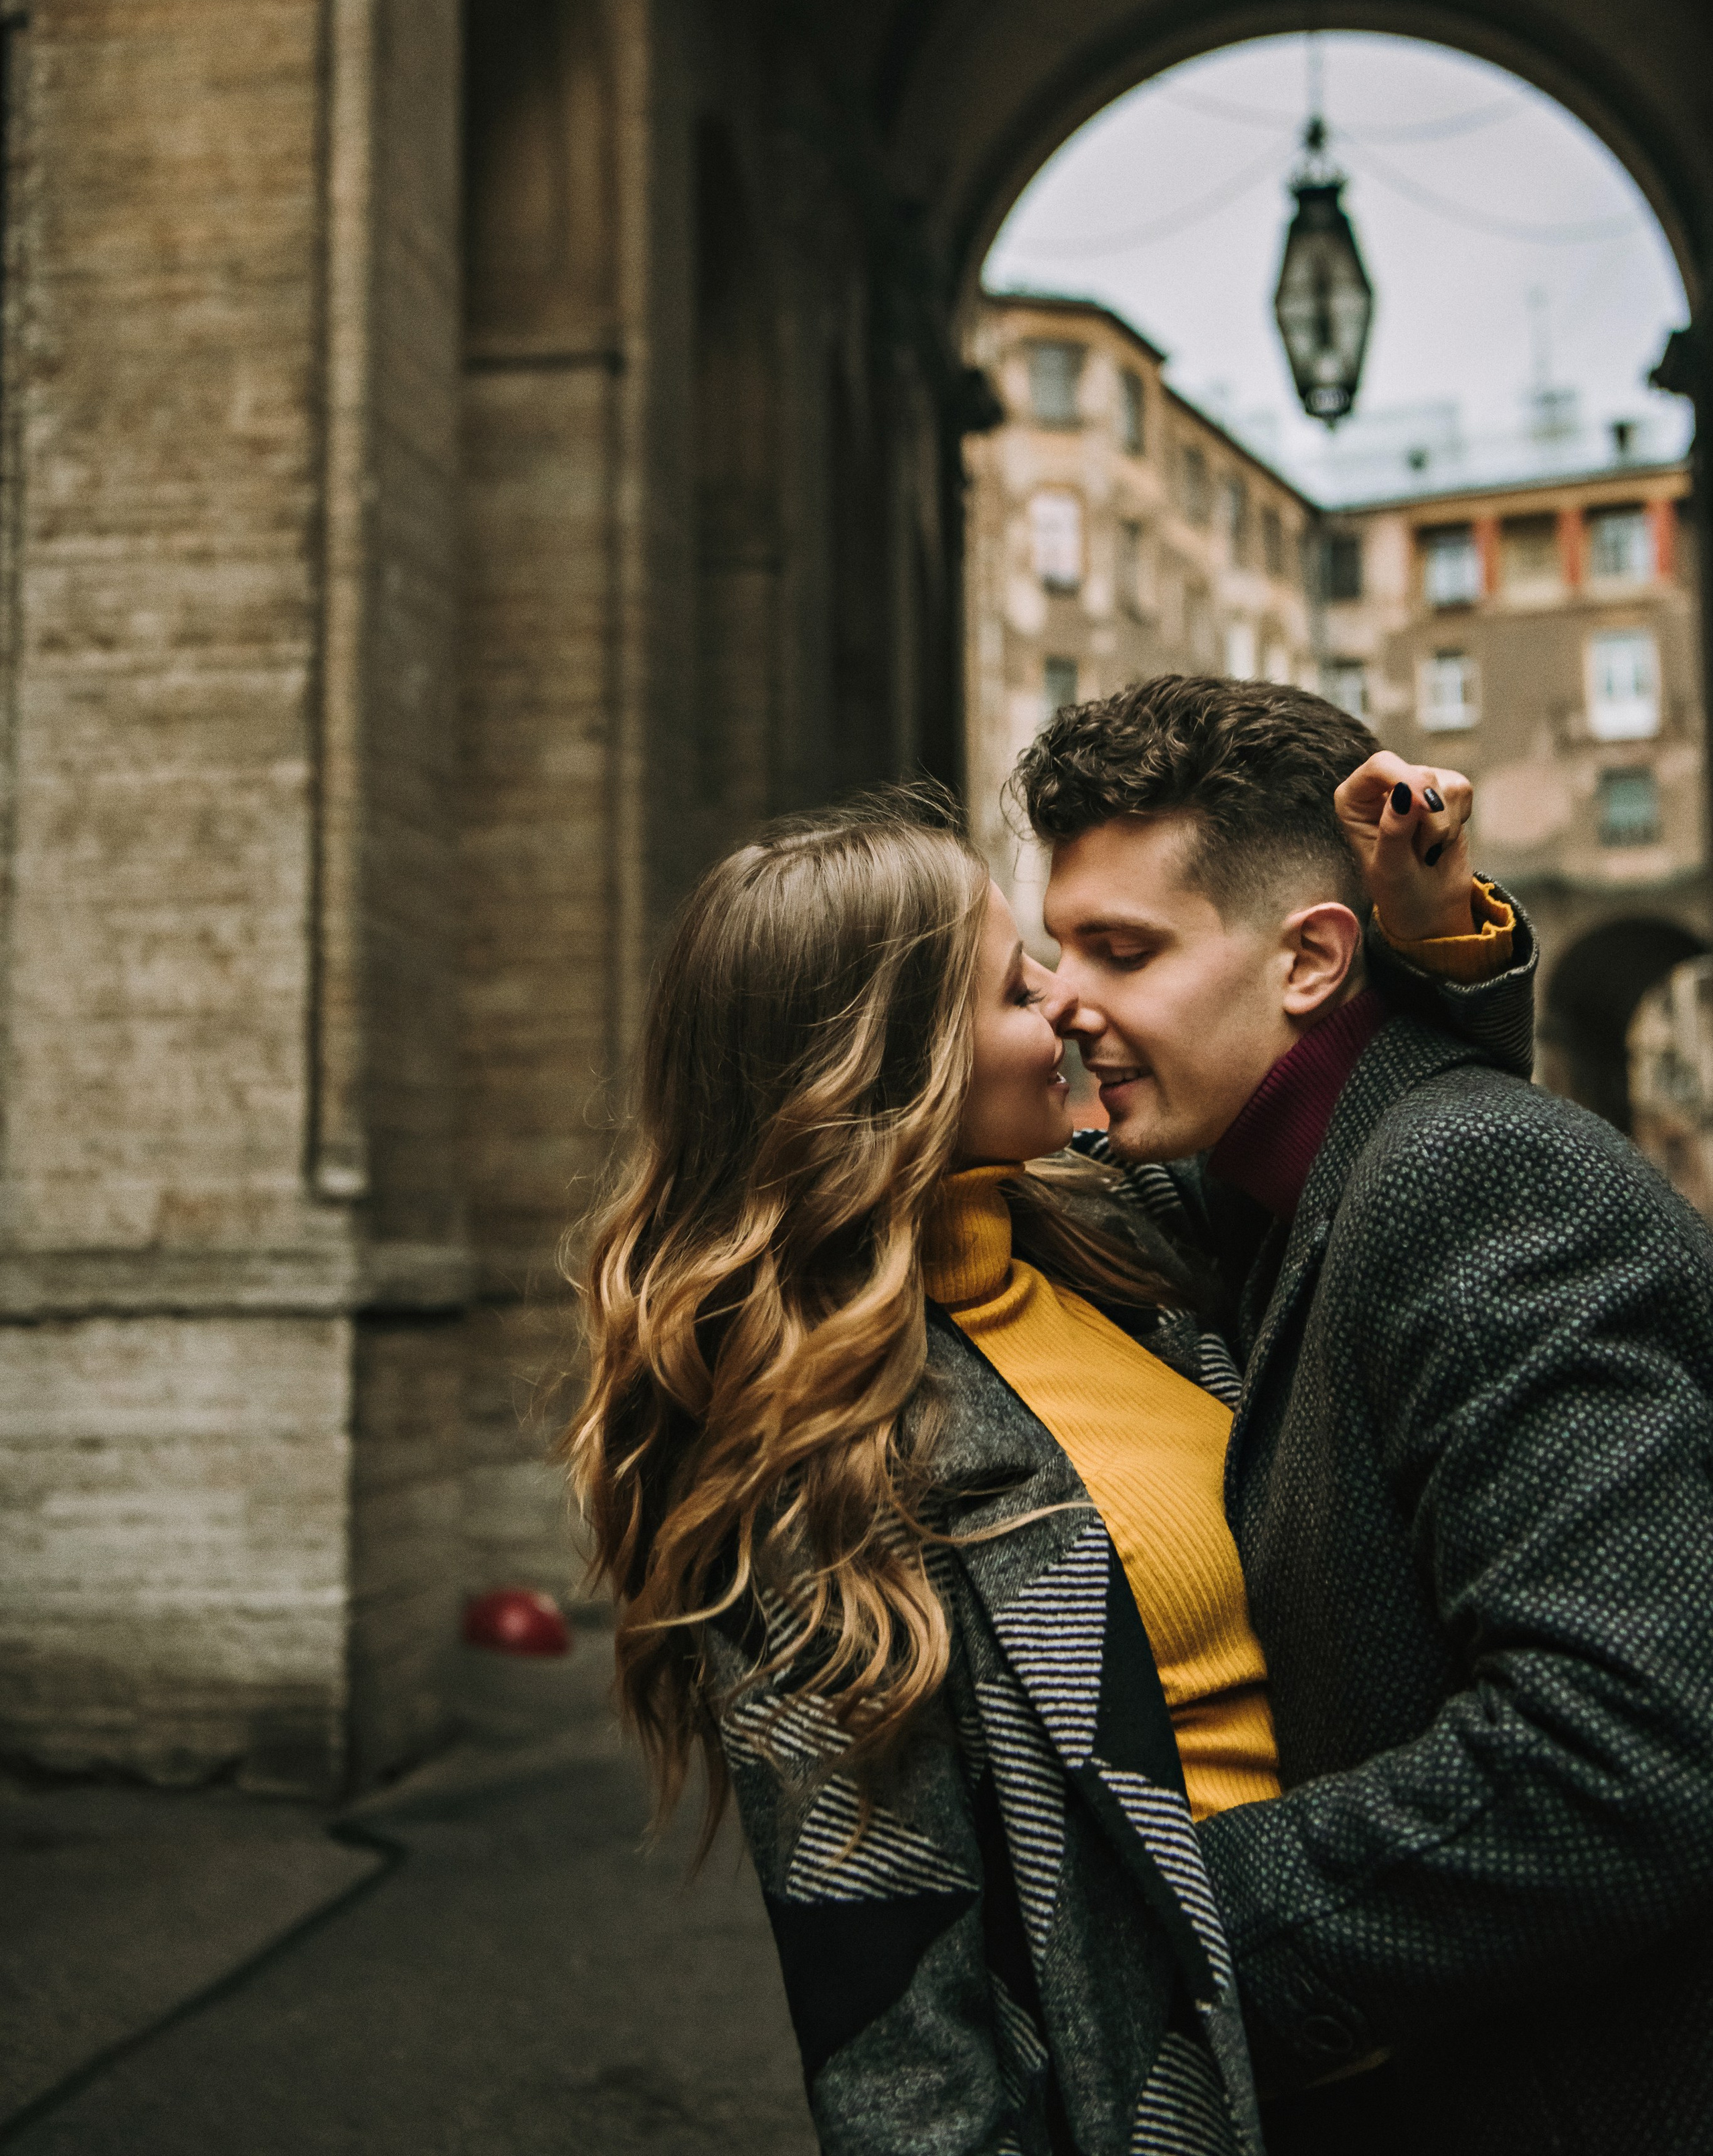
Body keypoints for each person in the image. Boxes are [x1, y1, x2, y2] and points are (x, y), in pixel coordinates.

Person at [563, 779, 1516, 2156]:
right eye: (1019, 987)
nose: (1070, 1005)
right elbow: (894, 2015)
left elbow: (1375, 1143)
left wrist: (1434, 944)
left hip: (1421, 2019)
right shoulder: (806, 1478)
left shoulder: (1118, 1233)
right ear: (892, 1068)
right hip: (1210, 2097)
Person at [1011, 672, 1713, 2156]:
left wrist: (1157, 1936)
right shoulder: (1255, 1180)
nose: (1064, 1002)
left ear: (1309, 962)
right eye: (1048, 954)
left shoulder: (1476, 1179)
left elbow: (1623, 1758)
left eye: (1119, 949)